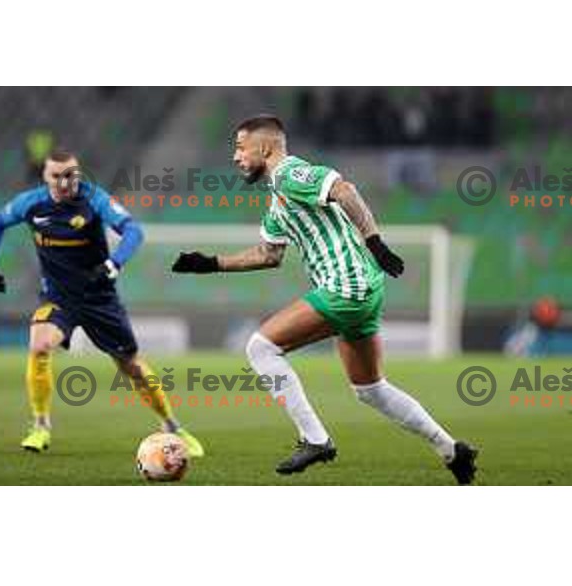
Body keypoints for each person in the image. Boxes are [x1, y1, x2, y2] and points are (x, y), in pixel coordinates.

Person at [172, 115, 476, 484]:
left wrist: (375, 240)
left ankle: (315, 439)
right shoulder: (276, 199)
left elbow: (343, 190)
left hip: (345, 284)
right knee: (370, 389)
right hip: (362, 288)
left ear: (265, 147)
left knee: (261, 348)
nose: (235, 157)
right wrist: (210, 264)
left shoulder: (290, 174)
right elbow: (269, 254)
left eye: (239, 147)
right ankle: (450, 449)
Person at [0, 149, 203, 457]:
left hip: (100, 298)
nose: (63, 181)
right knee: (40, 345)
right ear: (45, 177)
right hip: (59, 297)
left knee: (132, 367)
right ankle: (40, 426)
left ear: (78, 174)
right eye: (56, 175)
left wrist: (115, 262)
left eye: (70, 174)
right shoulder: (30, 203)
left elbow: (133, 230)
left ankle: (172, 425)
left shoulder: (94, 199)